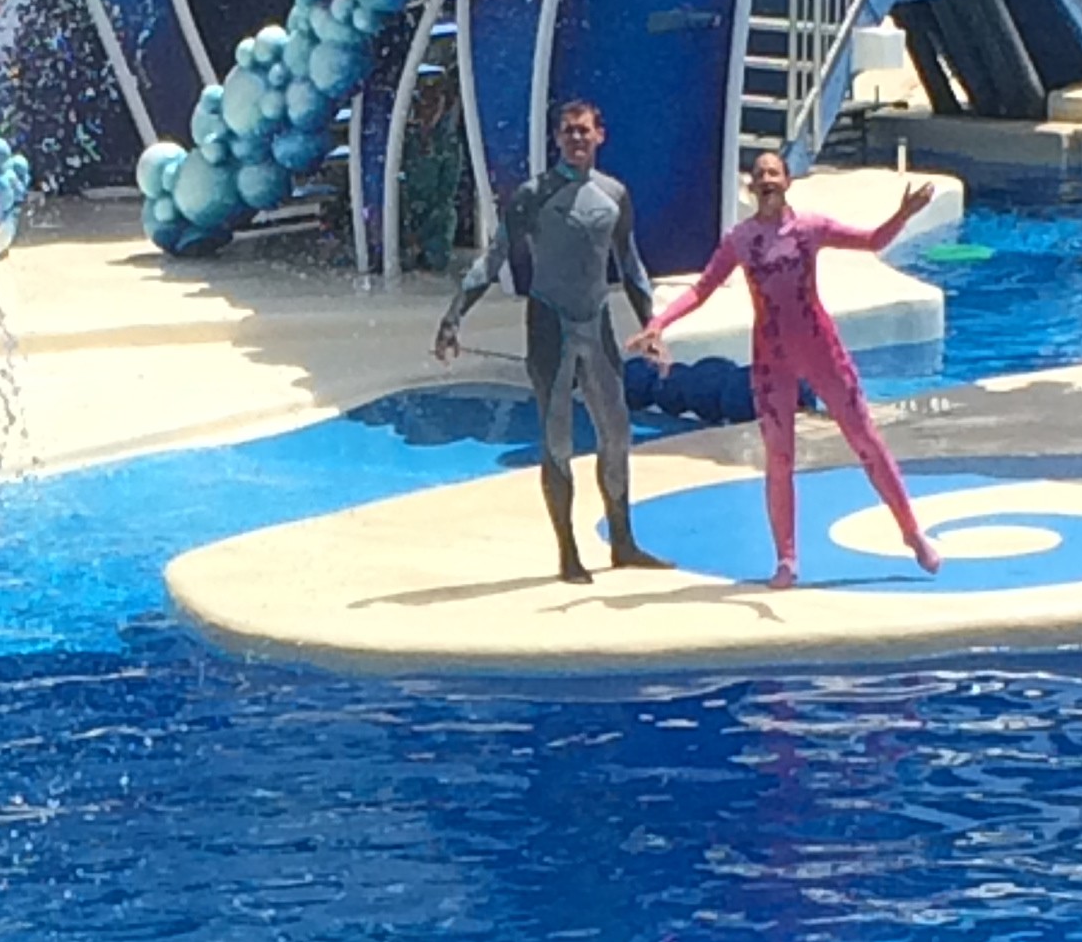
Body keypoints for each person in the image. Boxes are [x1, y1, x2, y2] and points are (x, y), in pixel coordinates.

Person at [629, 153, 941, 590]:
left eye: (773, 173)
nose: (766, 180)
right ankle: (787, 558)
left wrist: (903, 214)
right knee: (779, 458)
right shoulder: (741, 239)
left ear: (787, 181)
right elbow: (702, 289)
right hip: (772, 357)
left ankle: (910, 531)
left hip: (820, 349)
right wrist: (659, 322)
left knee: (865, 439)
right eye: (759, 175)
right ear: (752, 187)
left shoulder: (810, 227)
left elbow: (872, 241)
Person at [434, 100, 668, 584]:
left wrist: (652, 324)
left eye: (583, 131)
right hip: (549, 325)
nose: (576, 139)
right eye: (568, 132)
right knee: (558, 439)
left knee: (617, 433)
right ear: (557, 139)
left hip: (596, 323)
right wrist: (454, 315)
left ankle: (623, 541)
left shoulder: (614, 194)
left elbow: (630, 265)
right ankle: (568, 552)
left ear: (600, 135)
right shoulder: (533, 195)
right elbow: (494, 257)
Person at [400, 66, 467, 274]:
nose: (427, 109)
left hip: (434, 220)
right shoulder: (401, 140)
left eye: (434, 102)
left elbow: (446, 194)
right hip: (402, 214)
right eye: (423, 101)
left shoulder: (449, 144)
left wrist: (421, 235)